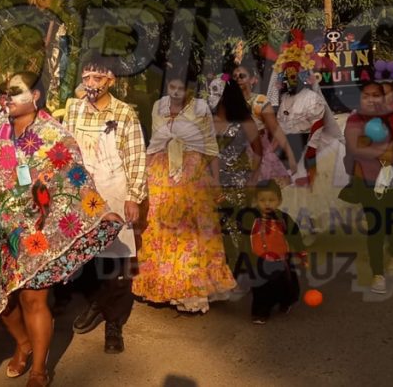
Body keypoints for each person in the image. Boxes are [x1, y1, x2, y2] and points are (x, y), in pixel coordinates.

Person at [0, 71, 122, 387]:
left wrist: (99, 211)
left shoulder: (55, 135)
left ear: (35, 96)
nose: (6, 99)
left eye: (15, 92)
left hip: (39, 234)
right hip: (1, 233)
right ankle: (22, 342)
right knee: (1, 301)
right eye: (4, 93)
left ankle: (38, 368)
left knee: (33, 300)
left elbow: (76, 178)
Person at [132, 70, 236, 313]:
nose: (176, 92)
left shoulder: (200, 109)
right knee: (160, 230)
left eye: (181, 88)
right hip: (160, 173)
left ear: (190, 88)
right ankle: (161, 288)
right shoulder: (159, 107)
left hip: (192, 175)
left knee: (192, 233)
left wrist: (217, 181)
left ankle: (190, 292)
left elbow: (210, 146)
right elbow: (154, 143)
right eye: (172, 87)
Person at [63, 57, 147, 354]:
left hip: (114, 190)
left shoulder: (124, 113)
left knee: (116, 262)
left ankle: (113, 323)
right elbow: (66, 151)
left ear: (111, 81)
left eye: (98, 78)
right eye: (86, 77)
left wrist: (133, 196)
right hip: (82, 191)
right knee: (85, 256)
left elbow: (136, 156)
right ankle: (95, 302)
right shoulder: (74, 109)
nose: (91, 83)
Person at [344, 81, 393, 294]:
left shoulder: (391, 118)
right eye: (366, 95)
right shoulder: (354, 120)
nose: (371, 99)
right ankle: (378, 274)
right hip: (367, 183)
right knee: (377, 229)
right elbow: (356, 149)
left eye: (376, 95)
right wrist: (387, 154)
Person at [233, 180, 307, 325]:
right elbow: (237, 216)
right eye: (262, 200)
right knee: (260, 288)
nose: (267, 204)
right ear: (256, 201)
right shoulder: (250, 218)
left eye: (271, 200)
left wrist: (302, 254)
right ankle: (260, 313)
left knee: (284, 284)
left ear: (279, 201)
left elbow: (295, 236)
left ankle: (286, 302)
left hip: (280, 260)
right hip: (258, 260)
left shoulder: (284, 219)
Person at [208, 75, 261, 273]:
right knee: (217, 230)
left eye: (216, 91)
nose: (212, 96)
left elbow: (258, 151)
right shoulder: (208, 120)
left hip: (239, 182)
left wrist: (253, 179)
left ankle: (242, 272)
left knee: (238, 228)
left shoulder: (245, 120)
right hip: (213, 182)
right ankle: (223, 273)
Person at [271, 34, 330, 186]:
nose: (291, 79)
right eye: (288, 76)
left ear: (301, 76)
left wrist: (311, 149)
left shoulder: (311, 97)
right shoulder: (284, 98)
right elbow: (279, 124)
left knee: (308, 185)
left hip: (306, 143)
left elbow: (317, 124)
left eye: (294, 75)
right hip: (287, 145)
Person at [233, 60, 296, 184]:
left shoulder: (260, 101)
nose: (238, 79)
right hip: (236, 156)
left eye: (242, 76)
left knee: (265, 196)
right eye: (234, 77)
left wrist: (291, 156)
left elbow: (275, 129)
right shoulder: (228, 104)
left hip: (261, 155)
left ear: (252, 80)